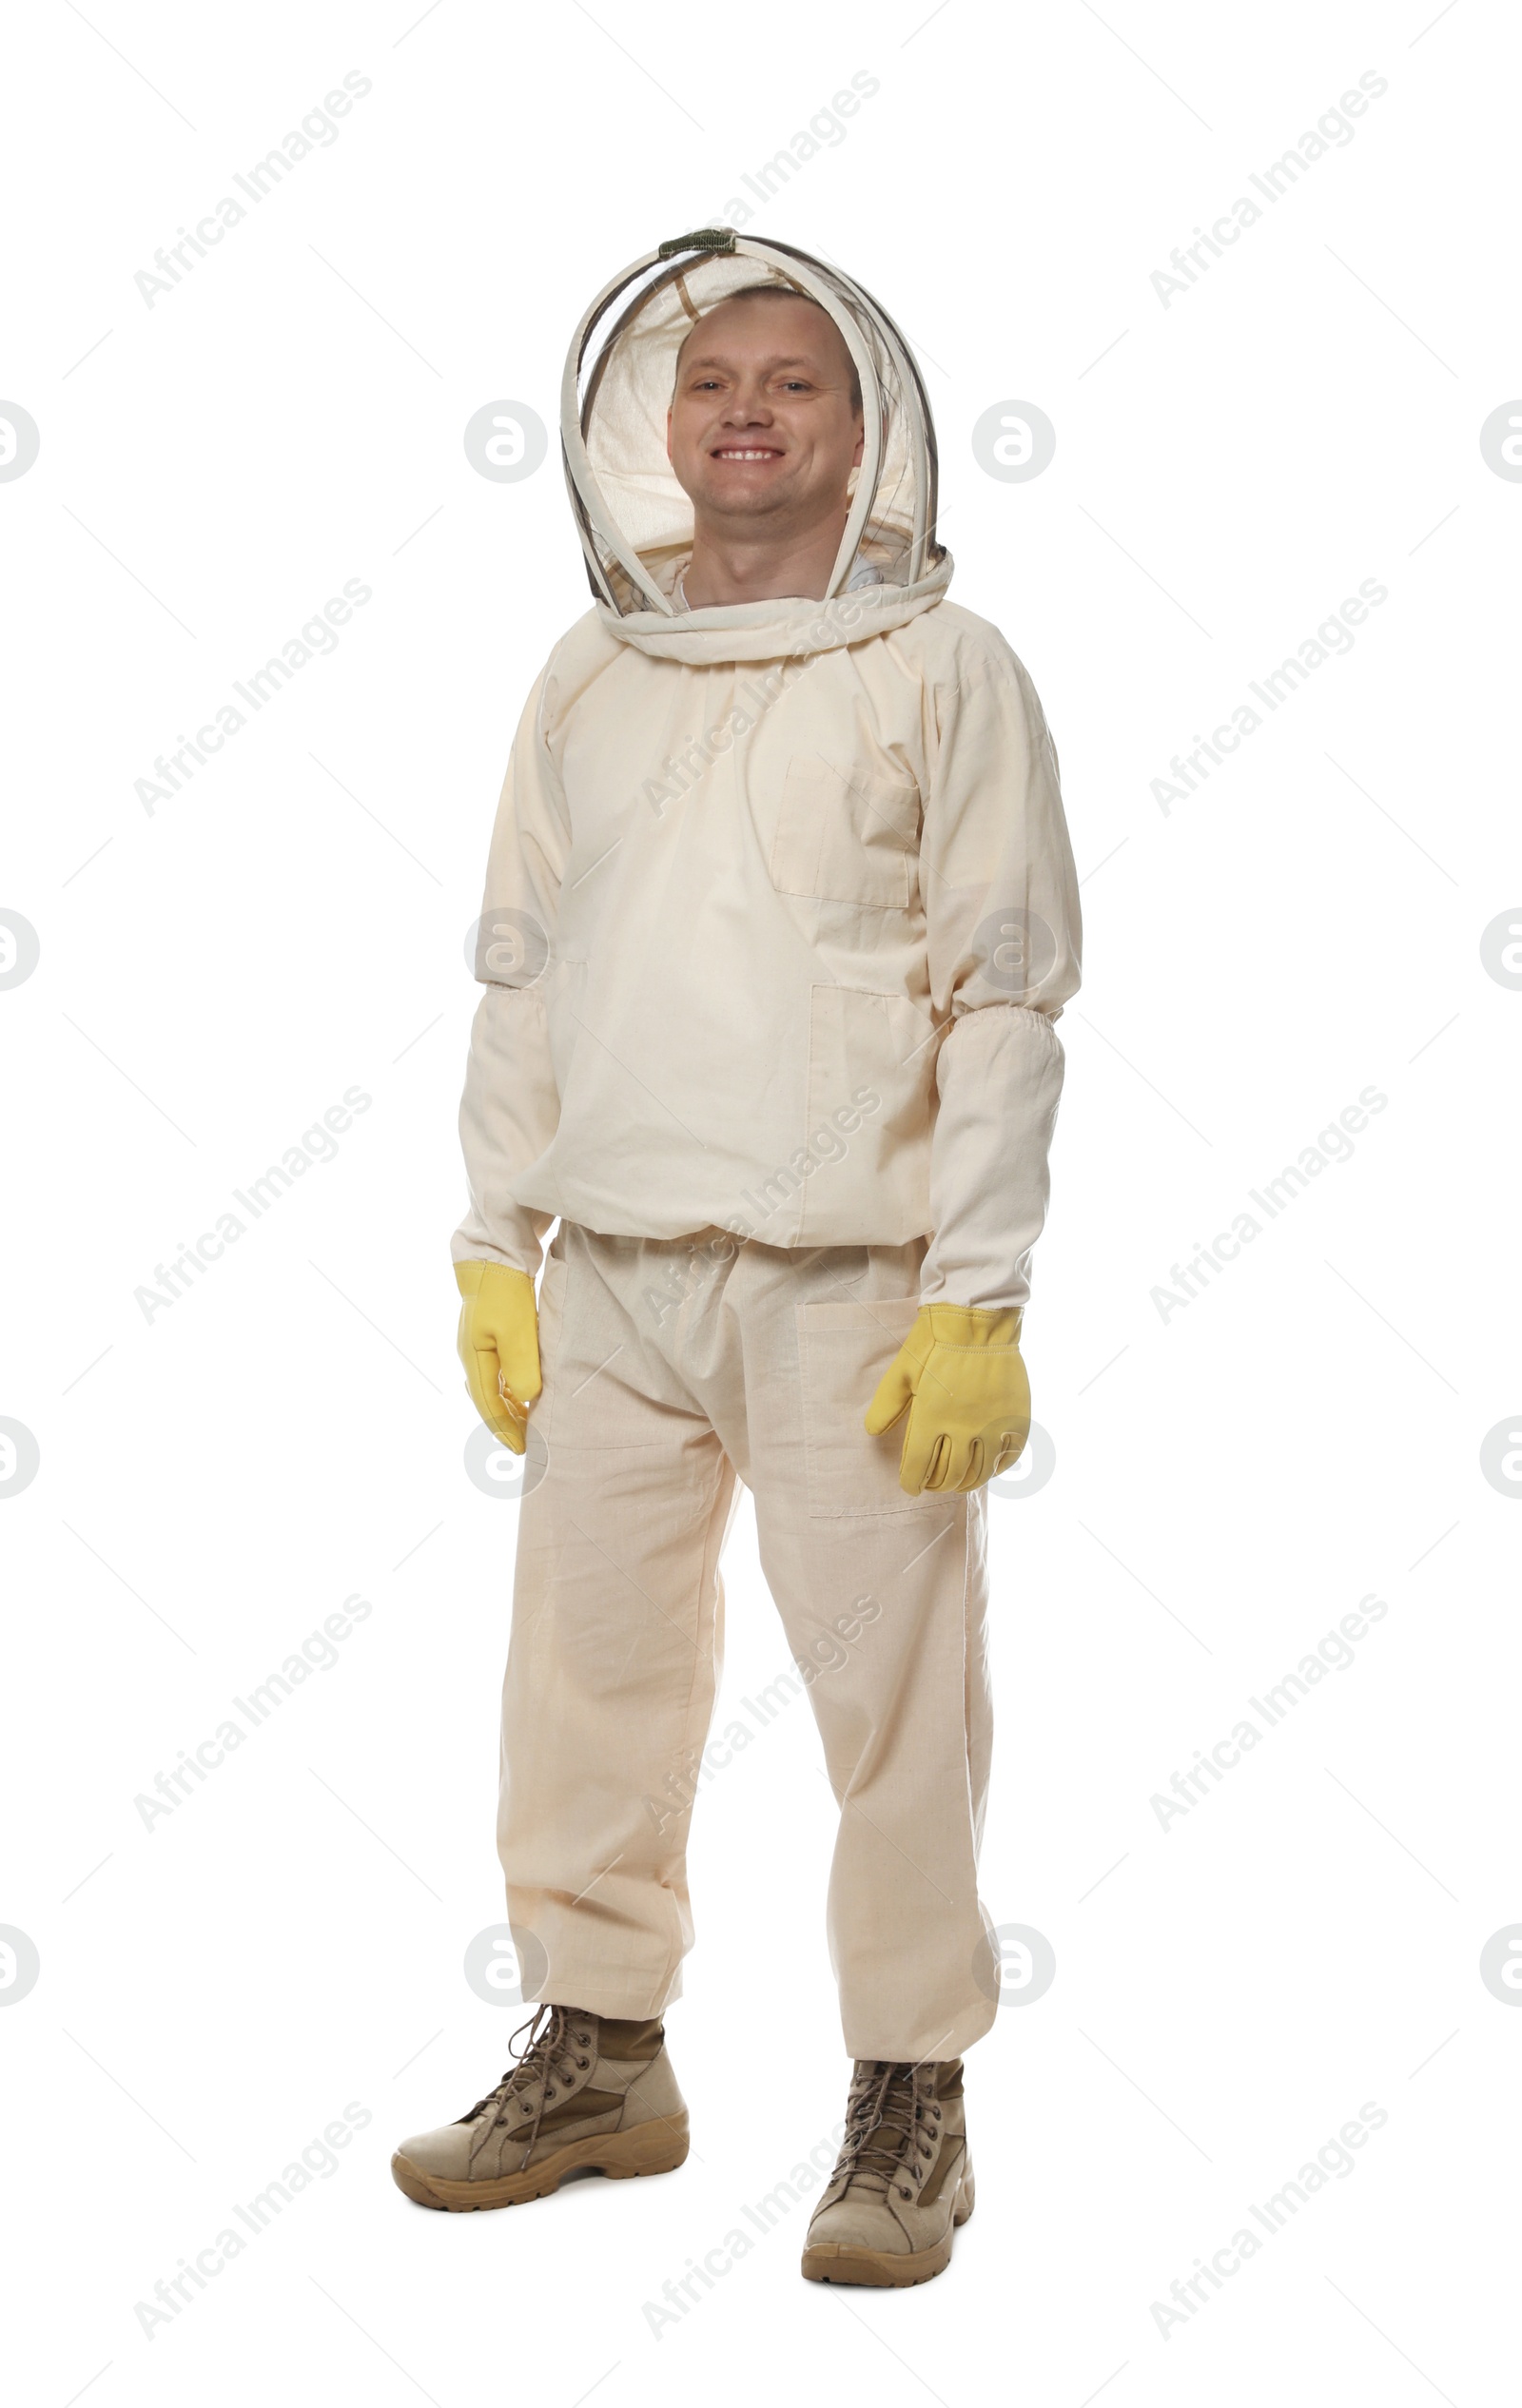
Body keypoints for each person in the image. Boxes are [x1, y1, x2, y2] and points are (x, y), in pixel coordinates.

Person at [391, 229, 1081, 2288]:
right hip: (608, 1273)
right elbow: (522, 965)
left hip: (848, 1278)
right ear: (652, 425)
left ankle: (909, 2097)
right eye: (709, 384)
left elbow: (1006, 992)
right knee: (585, 1678)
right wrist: (490, 1242)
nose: (745, 410)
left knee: (889, 1697)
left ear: (861, 425)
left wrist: (977, 1295)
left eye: (789, 380)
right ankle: (601, 2051)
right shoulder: (590, 673)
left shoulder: (942, 669)